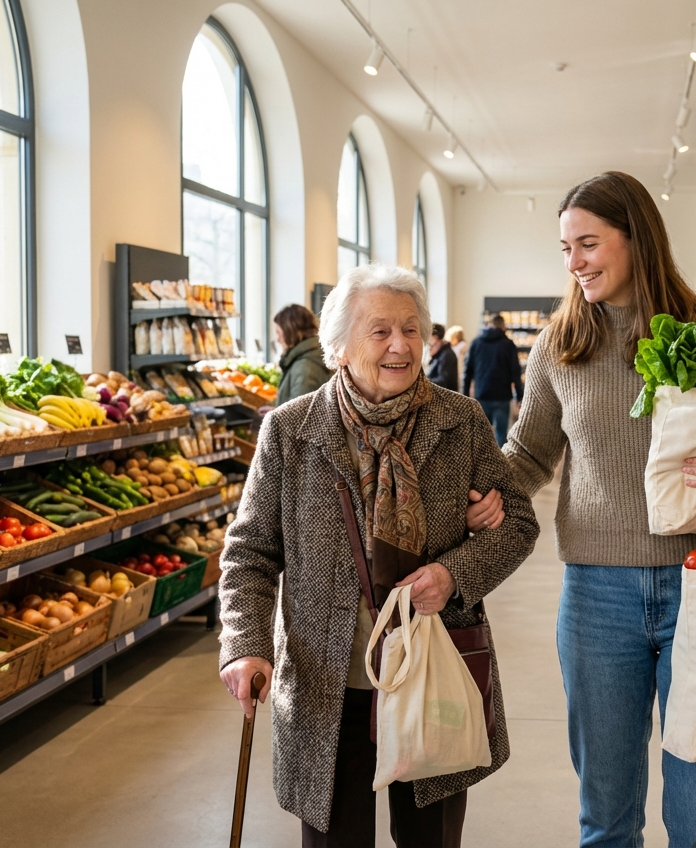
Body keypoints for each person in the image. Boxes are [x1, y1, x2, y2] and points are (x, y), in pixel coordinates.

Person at [476, 171, 696, 847]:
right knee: (605, 816)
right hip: (596, 598)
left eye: (587, 243)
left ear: (637, 239)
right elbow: (528, 454)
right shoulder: (560, 344)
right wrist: (474, 492)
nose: (573, 262)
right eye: (564, 248)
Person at [218, 264, 539, 848]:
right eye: (380, 331)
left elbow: (517, 522)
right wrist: (244, 646)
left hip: (434, 672)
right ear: (338, 347)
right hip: (325, 682)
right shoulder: (290, 431)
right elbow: (250, 553)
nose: (400, 345)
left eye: (412, 329)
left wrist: (453, 573)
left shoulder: (460, 421)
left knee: (430, 838)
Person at [462, 314, 523, 446]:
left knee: (482, 434)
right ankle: (500, 465)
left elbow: (467, 371)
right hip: (502, 396)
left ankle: (483, 464)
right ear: (503, 327)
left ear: (489, 325)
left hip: (481, 394)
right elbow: (515, 372)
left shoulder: (476, 342)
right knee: (501, 433)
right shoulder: (508, 344)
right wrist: (520, 396)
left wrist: (464, 396)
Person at [273, 303, 333, 405]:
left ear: (290, 332)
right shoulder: (312, 355)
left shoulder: (304, 368)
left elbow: (299, 416)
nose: (278, 339)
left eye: (279, 333)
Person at [426, 323, 459, 392]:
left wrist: (422, 381)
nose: (430, 349)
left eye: (432, 345)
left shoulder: (447, 355)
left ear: (440, 341)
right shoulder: (438, 355)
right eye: (428, 345)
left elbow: (442, 381)